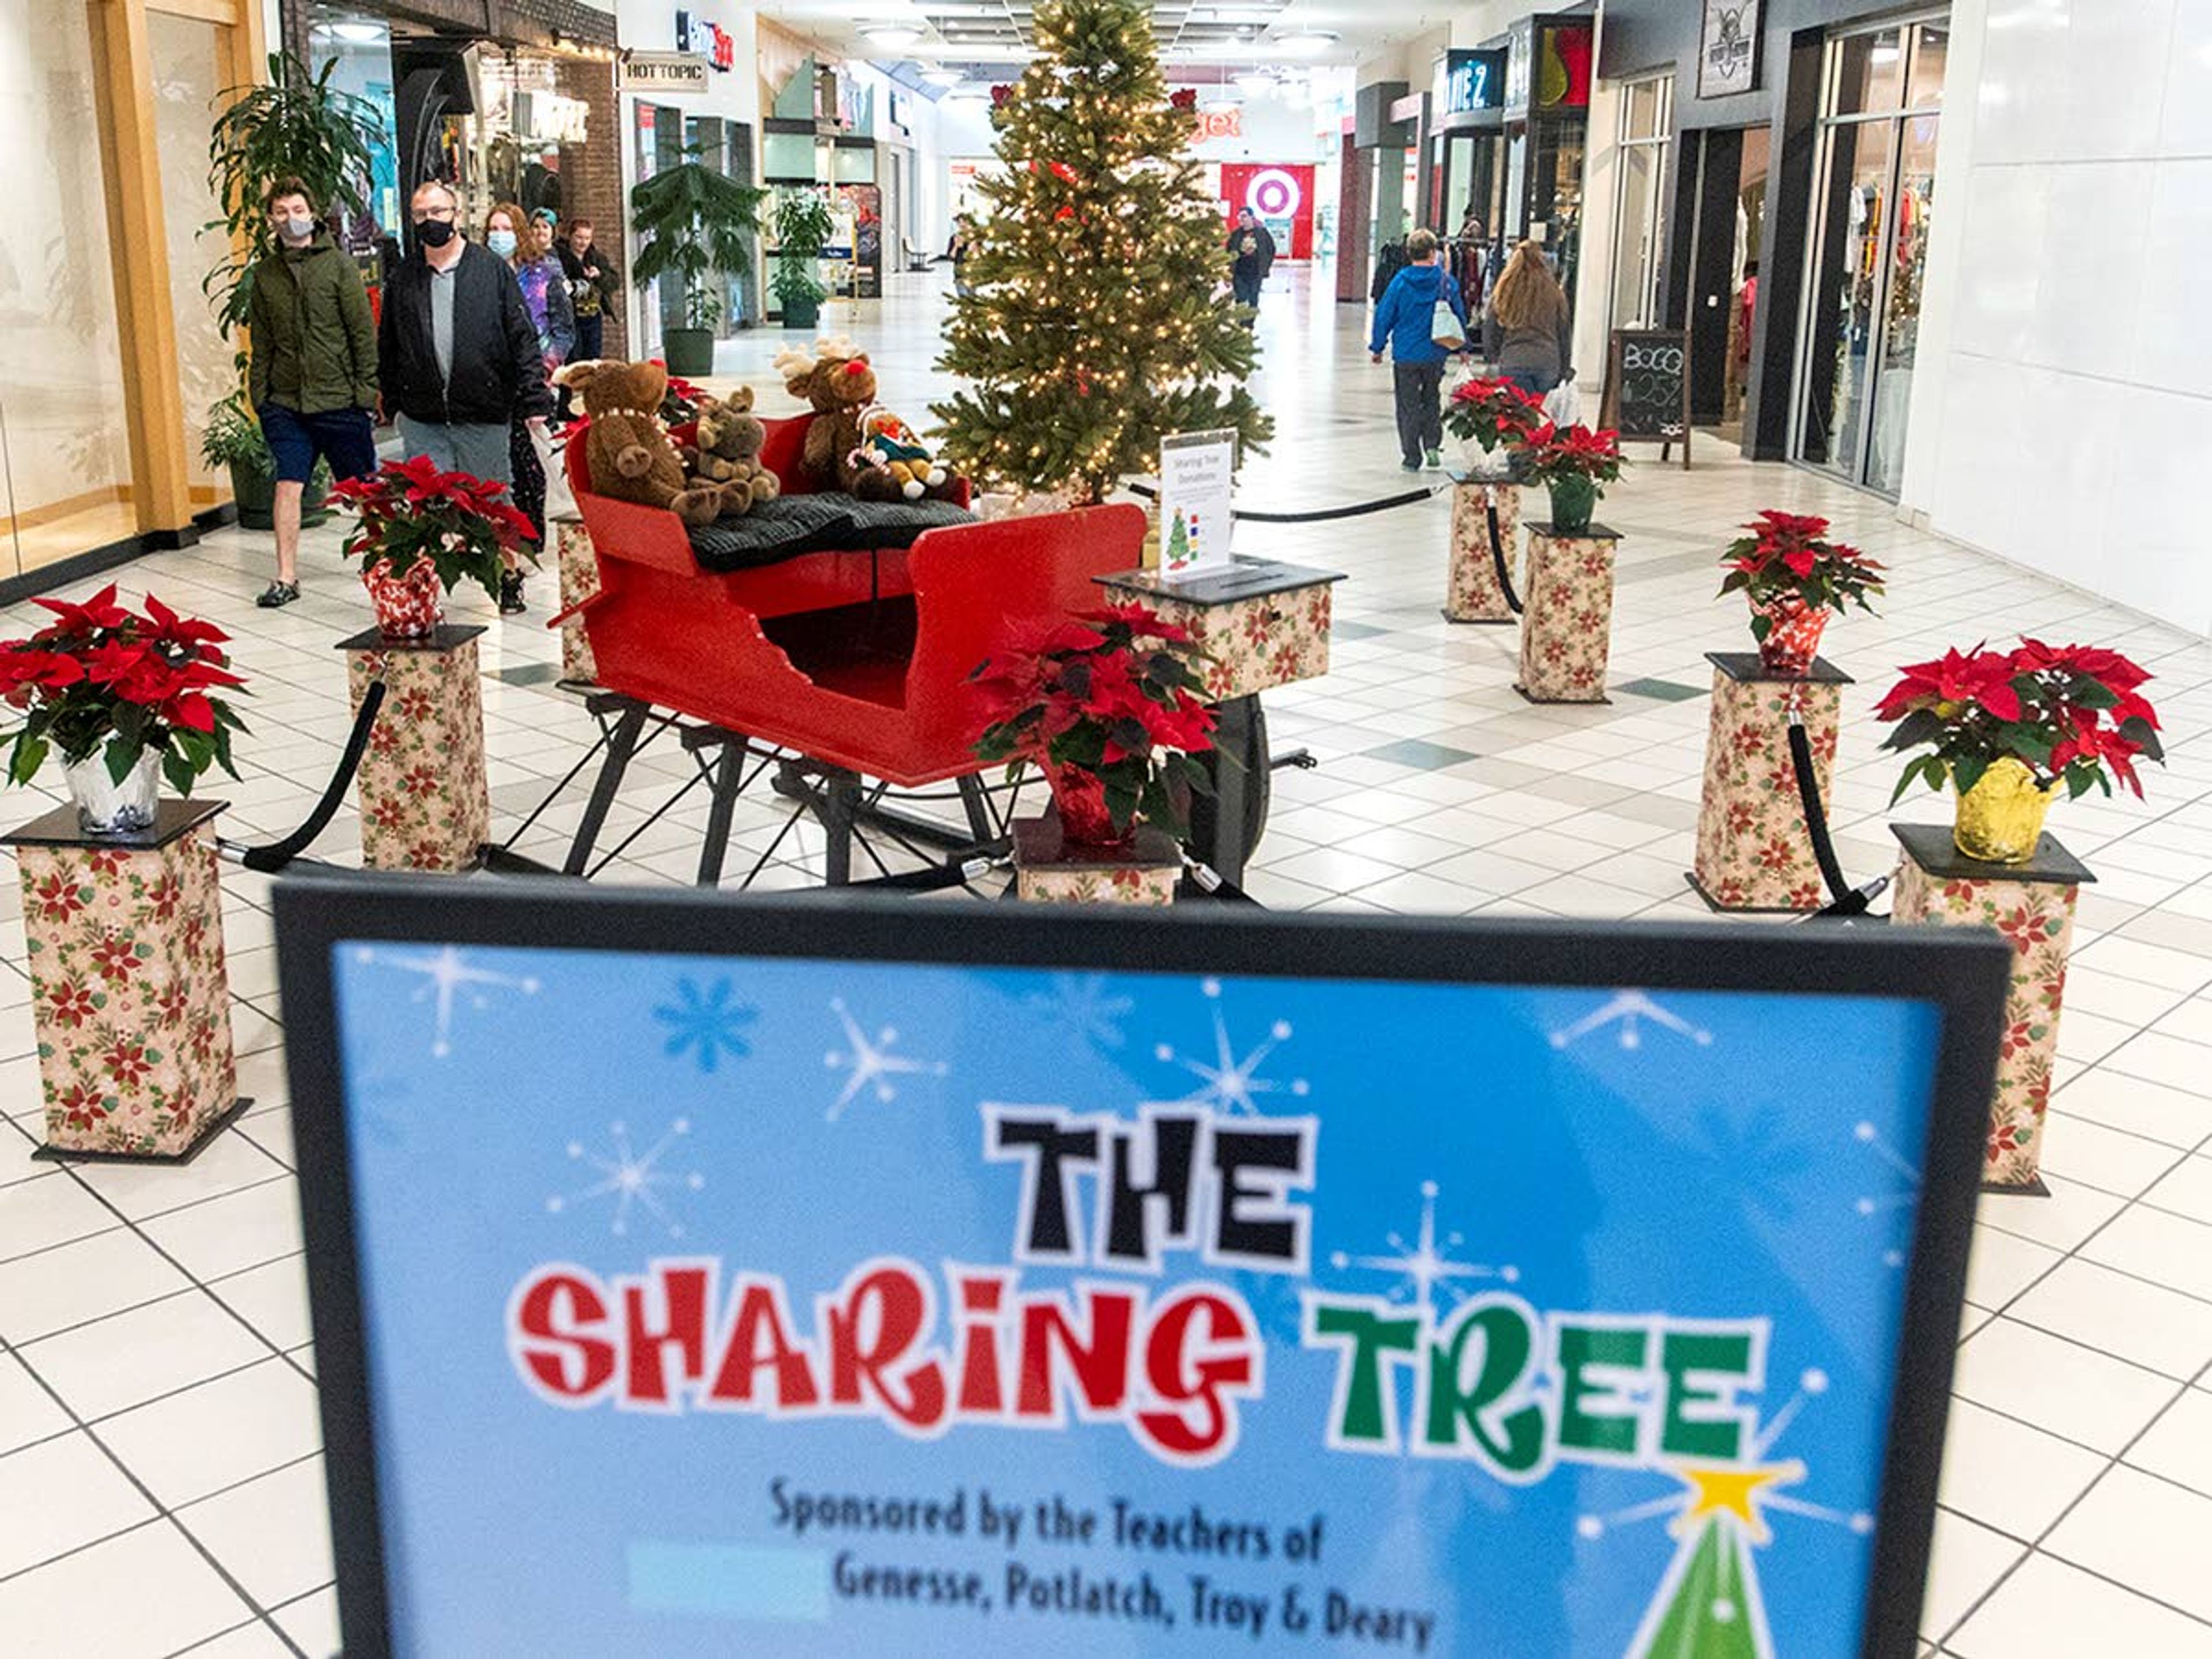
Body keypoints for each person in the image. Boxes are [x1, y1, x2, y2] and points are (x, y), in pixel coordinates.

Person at [377, 180, 551, 616]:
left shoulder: (489, 270)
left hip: (483, 412)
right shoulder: (404, 278)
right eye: (421, 215)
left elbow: (521, 338)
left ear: (456, 215)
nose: (430, 222)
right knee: (428, 508)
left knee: (494, 503)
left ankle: (509, 577)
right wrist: (388, 396)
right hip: (423, 416)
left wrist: (533, 398)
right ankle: (425, 592)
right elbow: (389, 344)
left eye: (438, 212)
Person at [245, 176, 378, 609]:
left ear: (313, 213)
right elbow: (261, 341)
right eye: (282, 212)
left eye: (298, 211)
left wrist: (365, 393)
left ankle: (385, 562)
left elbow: (362, 333)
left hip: (339, 399)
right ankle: (286, 576)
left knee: (362, 490)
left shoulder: (338, 266)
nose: (291, 220)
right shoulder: (265, 275)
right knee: (288, 485)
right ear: (271, 218)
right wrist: (261, 396)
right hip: (285, 403)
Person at [1368, 228, 1469, 472]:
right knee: (1432, 398)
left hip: (1406, 353)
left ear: (1409, 253)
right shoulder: (1446, 281)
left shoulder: (1401, 282)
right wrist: (1464, 347)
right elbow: (1459, 314)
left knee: (1408, 404)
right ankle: (1433, 444)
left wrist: (1378, 346)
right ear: (1433, 253)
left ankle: (1412, 455)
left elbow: (1385, 314)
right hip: (1436, 351)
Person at [1482, 238, 1574, 400]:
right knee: (1537, 411)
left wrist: (1494, 357)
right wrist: (1564, 367)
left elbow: (1490, 329)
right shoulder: (1555, 293)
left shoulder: (1504, 291)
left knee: (1520, 414)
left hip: (1513, 360)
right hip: (1547, 361)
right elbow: (1564, 332)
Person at [556, 216, 619, 365]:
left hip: (592, 314)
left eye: (587, 238)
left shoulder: (597, 258)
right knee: (573, 357)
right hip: (571, 315)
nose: (582, 242)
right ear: (570, 236)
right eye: (579, 237)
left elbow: (614, 281)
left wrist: (599, 275)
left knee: (593, 357)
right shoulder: (560, 257)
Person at [1226, 208, 1276, 321]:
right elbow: (1229, 252)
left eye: (1244, 216)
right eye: (1240, 217)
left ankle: (1250, 324)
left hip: (1255, 271)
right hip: (1239, 271)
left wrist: (1266, 266)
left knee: (1253, 298)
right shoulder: (1236, 235)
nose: (1242, 220)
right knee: (1241, 298)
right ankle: (1241, 324)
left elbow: (1271, 249)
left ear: (1251, 217)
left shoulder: (1262, 234)